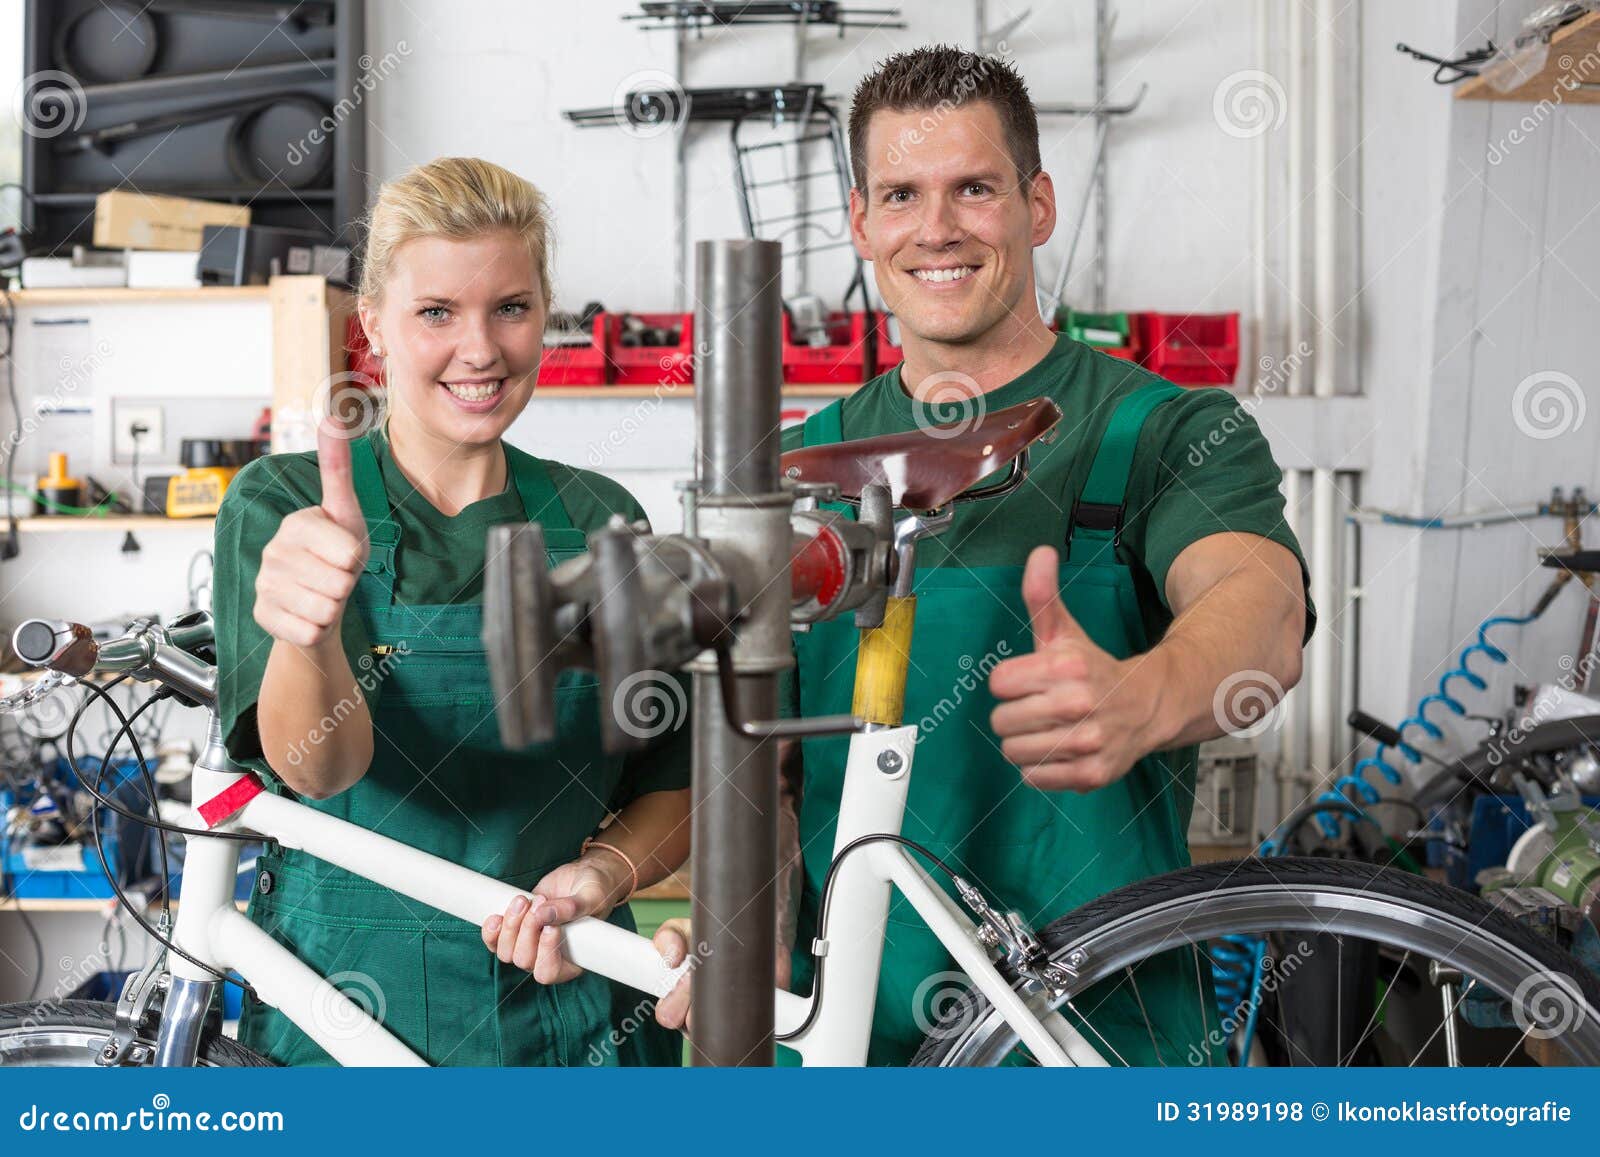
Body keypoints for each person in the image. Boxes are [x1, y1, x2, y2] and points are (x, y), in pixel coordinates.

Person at [653, 45, 1313, 1066]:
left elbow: (1259, 605)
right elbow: (768, 775)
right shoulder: (793, 472)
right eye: (900, 195)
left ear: (1036, 206)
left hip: (1099, 1038)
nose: (937, 229)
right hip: (852, 1041)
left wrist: (1147, 692)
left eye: (973, 188)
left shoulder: (1162, 429)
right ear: (861, 221)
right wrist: (738, 934)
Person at [214, 157, 689, 1066]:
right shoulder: (285, 506)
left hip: (569, 1009)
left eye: (510, 307)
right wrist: (309, 637)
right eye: (436, 312)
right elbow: (319, 768)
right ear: (373, 323)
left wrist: (600, 877)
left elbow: (674, 783)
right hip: (341, 1010)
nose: (480, 350)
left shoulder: (601, 519)